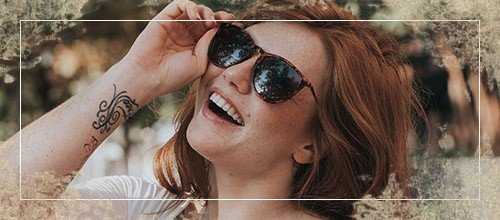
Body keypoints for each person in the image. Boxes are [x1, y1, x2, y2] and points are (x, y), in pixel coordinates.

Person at [4, 0, 420, 219]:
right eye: (234, 46)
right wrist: (136, 75)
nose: (234, 73)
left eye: (275, 76)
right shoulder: (138, 208)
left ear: (314, 144)